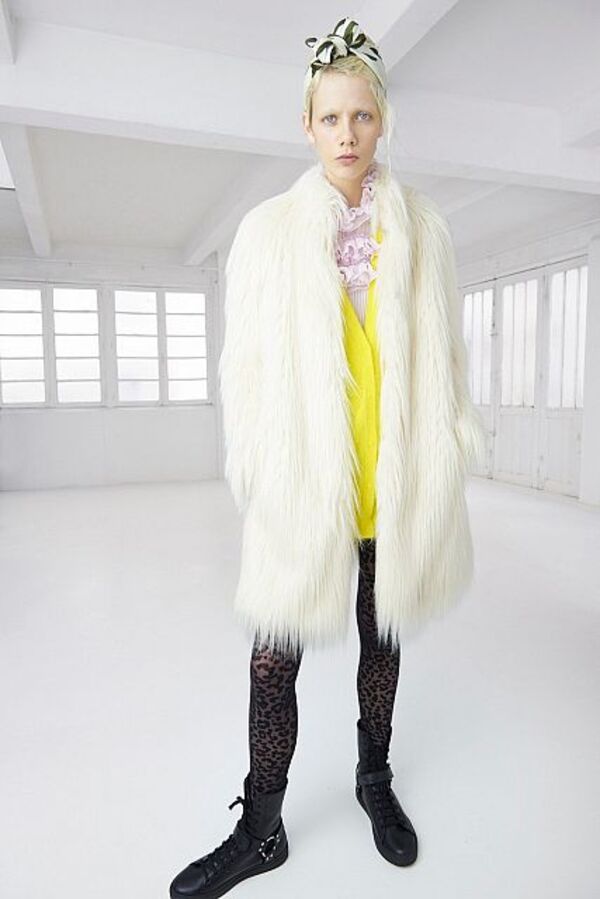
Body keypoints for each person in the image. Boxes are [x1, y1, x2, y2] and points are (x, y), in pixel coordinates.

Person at [170, 16, 485, 899]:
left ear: (382, 122)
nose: (348, 134)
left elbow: (445, 355)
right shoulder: (267, 231)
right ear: (306, 127)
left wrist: (447, 446)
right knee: (273, 659)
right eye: (331, 118)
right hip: (306, 479)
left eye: (362, 116)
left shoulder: (425, 229)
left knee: (382, 639)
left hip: (396, 473)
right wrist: (261, 467)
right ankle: (261, 829)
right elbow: (245, 367)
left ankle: (372, 777)